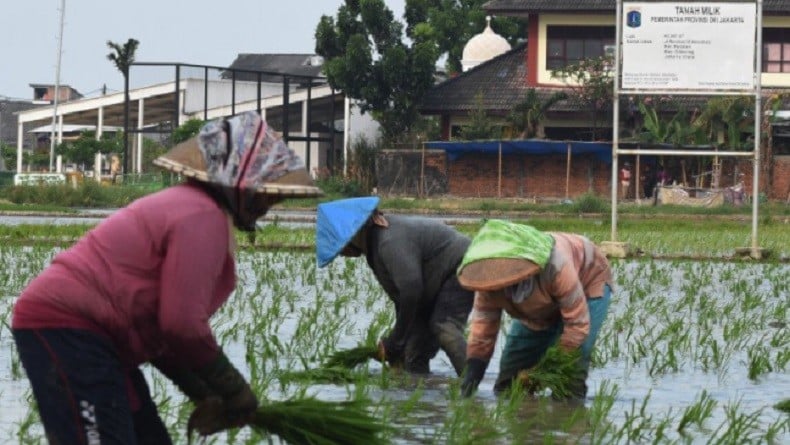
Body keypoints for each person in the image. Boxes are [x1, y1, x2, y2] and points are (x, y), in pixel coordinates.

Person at [11, 111, 322, 444]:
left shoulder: (195, 209)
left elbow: (162, 335)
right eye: (267, 192)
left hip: (103, 340)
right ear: (241, 182)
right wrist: (234, 388)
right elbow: (181, 326)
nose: (271, 201)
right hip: (70, 329)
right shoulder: (201, 216)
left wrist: (203, 392)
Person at [316, 197, 474, 376]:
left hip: (460, 267)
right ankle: (422, 396)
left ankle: (474, 388)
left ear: (353, 234)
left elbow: (411, 291)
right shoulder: (374, 249)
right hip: (430, 287)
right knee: (413, 352)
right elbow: (402, 299)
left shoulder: (388, 241)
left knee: (445, 328)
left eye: (339, 247)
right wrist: (398, 345)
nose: (342, 254)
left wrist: (394, 341)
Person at [457, 219, 613, 399]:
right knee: (509, 383)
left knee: (572, 369)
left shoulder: (556, 266)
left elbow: (577, 326)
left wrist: (545, 370)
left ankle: (569, 411)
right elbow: (482, 333)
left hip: (588, 277)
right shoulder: (488, 283)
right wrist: (472, 378)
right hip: (539, 304)